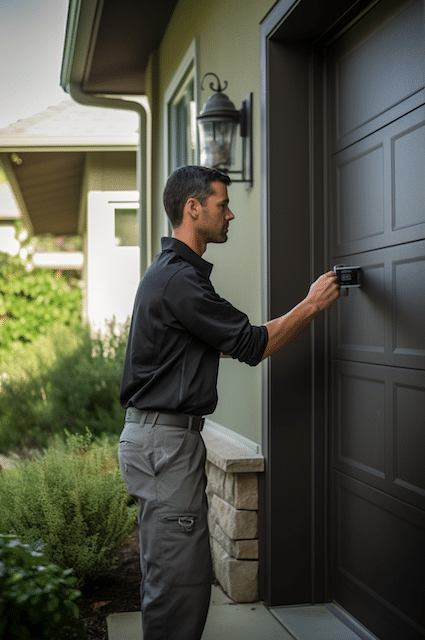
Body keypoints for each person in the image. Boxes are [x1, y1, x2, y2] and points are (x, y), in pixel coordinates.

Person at [118, 165, 339, 640]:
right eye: (222, 204)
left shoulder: (174, 276)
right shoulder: (179, 279)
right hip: (165, 443)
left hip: (163, 440)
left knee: (176, 578)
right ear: (192, 208)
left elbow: (219, 342)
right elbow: (253, 345)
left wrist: (243, 339)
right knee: (179, 585)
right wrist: (312, 304)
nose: (231, 214)